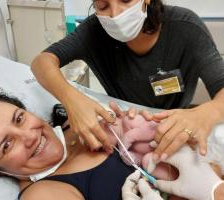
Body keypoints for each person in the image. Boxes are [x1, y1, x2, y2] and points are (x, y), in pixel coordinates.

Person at [31, 0, 224, 161]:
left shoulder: (186, 27)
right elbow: (42, 61)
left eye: (125, 0)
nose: (115, 15)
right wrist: (71, 99)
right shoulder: (93, 31)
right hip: (124, 123)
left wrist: (206, 113)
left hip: (172, 123)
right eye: (103, 5)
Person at [0, 93, 223, 200]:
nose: (29, 136)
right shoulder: (43, 194)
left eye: (19, 118)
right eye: (7, 145)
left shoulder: (76, 126)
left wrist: (167, 138)